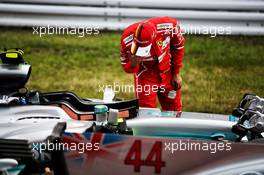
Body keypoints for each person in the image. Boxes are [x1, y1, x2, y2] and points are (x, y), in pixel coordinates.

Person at [120, 16, 184, 113]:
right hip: (145, 75)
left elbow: (178, 46)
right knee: (146, 112)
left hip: (168, 72)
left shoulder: (170, 26)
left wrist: (176, 73)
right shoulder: (126, 40)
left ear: (154, 37)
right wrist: (133, 64)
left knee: (175, 110)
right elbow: (126, 67)